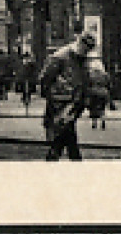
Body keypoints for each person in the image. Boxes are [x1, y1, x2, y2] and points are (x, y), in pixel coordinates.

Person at [39, 30, 96, 161]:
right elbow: (45, 78)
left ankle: (58, 158)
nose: (86, 52)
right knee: (66, 132)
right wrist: (53, 97)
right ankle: (68, 159)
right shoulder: (60, 56)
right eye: (85, 48)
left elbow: (84, 79)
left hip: (74, 103)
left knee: (65, 133)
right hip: (61, 103)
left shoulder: (82, 59)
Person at [85, 55, 112, 129]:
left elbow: (87, 84)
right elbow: (108, 84)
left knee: (93, 108)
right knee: (102, 107)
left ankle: (94, 122)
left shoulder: (90, 74)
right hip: (103, 92)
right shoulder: (105, 75)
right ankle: (103, 120)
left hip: (93, 92)